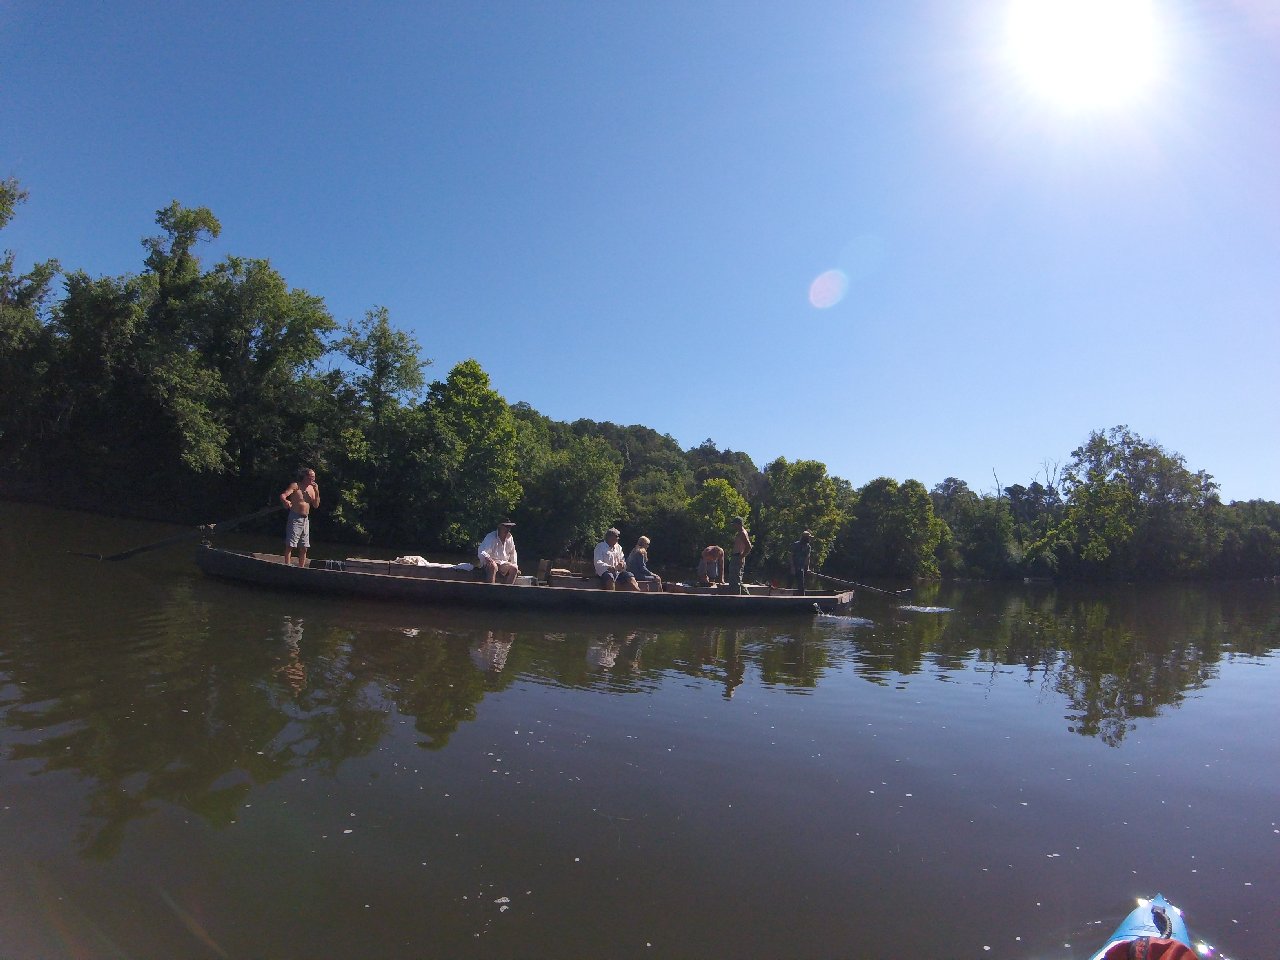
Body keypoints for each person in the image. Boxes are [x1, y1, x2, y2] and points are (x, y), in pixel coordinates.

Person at [280, 467, 320, 567]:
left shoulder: (312, 488)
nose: (313, 479)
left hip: (305, 520)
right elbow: (283, 495)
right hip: (295, 517)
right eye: (311, 477)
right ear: (305, 477)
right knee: (290, 545)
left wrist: (317, 491)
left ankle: (301, 568)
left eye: (314, 477)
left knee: (304, 547)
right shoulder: (296, 486)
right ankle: (287, 565)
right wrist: (286, 501)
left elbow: (316, 505)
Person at [728, 516, 752, 593]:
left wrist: (741, 557)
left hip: (738, 556)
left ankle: (736, 599)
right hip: (736, 556)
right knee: (736, 579)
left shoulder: (742, 533)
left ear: (738, 524)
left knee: (735, 581)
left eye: (734, 524)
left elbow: (749, 546)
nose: (733, 526)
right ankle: (746, 596)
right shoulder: (740, 532)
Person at [791, 530, 814, 596]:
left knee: (801, 586)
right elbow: (791, 556)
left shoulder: (808, 547)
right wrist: (792, 567)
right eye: (809, 538)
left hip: (800, 568)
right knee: (789, 584)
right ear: (805, 538)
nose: (810, 539)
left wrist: (808, 568)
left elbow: (807, 558)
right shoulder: (796, 544)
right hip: (792, 567)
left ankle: (802, 598)